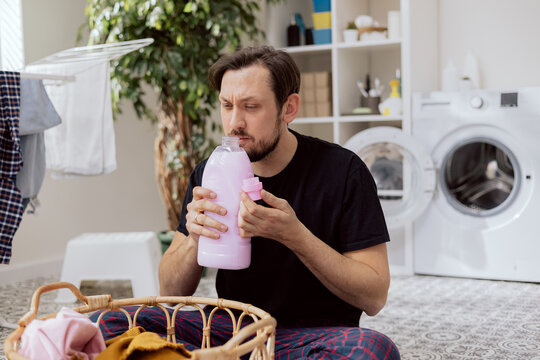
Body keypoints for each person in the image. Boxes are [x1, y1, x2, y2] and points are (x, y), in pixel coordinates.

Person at [96, 46, 400, 359]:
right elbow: (171, 294)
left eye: (251, 107)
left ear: (289, 108)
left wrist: (296, 236)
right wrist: (194, 239)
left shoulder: (344, 171)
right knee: (109, 321)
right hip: (232, 329)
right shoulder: (209, 171)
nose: (234, 122)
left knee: (373, 350)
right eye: (226, 106)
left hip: (313, 337)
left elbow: (374, 296)